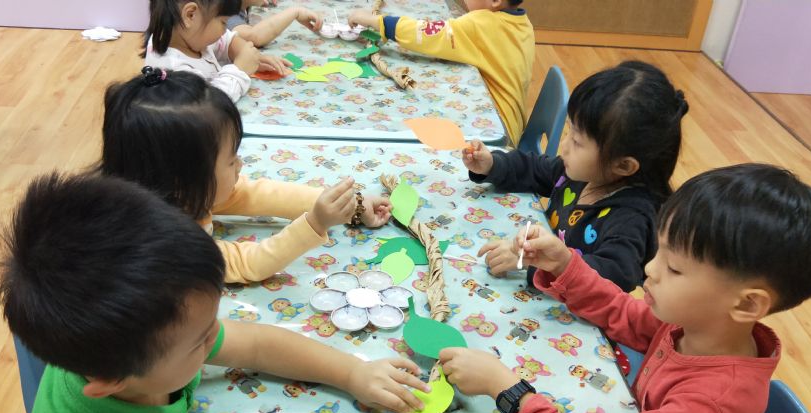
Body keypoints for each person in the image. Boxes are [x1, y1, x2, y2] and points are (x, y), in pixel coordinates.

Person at [0, 172, 429, 413]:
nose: (215, 339)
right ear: (112, 383)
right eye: (202, 341)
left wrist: (353, 372)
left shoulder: (131, 347)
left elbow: (257, 344)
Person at [440, 164, 811, 413]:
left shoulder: (715, 403)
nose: (650, 268)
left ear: (747, 304)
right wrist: (563, 264)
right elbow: (623, 313)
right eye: (660, 251)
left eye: (675, 268)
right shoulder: (697, 325)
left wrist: (508, 391)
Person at [101, 68, 392, 283]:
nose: (240, 166)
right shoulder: (163, 243)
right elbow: (248, 264)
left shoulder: (180, 191)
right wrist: (316, 222)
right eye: (230, 161)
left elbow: (256, 194)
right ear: (181, 181)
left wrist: (351, 204)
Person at [464, 61, 688, 292]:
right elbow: (533, 168)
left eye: (578, 141)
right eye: (569, 131)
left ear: (623, 165)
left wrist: (539, 264)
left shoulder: (631, 219)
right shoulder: (584, 173)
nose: (565, 145)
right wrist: (493, 164)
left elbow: (615, 277)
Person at [348, 0, 533, 144]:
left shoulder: (482, 24)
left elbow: (425, 33)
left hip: (494, 136)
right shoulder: (522, 23)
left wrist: (375, 21)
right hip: (511, 126)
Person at [143, 0, 290, 102]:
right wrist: (240, 70)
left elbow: (227, 41)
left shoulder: (190, 37)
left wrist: (247, 54)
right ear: (190, 15)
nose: (225, 30)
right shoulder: (173, 68)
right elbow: (208, 103)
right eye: (223, 22)